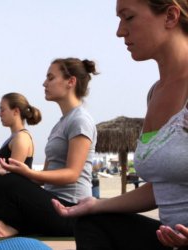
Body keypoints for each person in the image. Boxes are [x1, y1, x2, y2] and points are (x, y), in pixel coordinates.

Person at [52, 1, 188, 249]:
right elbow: (166, 188)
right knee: (91, 221)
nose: (120, 31)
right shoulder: (154, 94)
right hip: (171, 240)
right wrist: (97, 204)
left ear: (170, 16)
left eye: (129, 17)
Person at [0, 58, 98, 238]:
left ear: (70, 82)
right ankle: (8, 221)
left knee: (10, 182)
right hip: (51, 202)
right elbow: (44, 179)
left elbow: (72, 175)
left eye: (50, 77)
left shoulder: (80, 120)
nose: (44, 83)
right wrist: (3, 172)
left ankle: (13, 224)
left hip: (71, 210)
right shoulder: (59, 125)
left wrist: (26, 173)